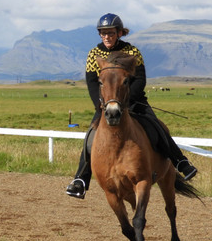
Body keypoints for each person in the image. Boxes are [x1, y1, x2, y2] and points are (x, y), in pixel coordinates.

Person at [65, 13, 198, 199]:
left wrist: (126, 102)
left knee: (157, 127)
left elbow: (140, 79)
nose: (107, 37)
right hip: (106, 105)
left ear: (119, 33)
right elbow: (92, 83)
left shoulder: (132, 52)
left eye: (110, 33)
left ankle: (181, 162)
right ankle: (80, 180)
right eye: (103, 33)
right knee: (90, 137)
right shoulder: (94, 55)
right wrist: (101, 104)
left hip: (134, 102)